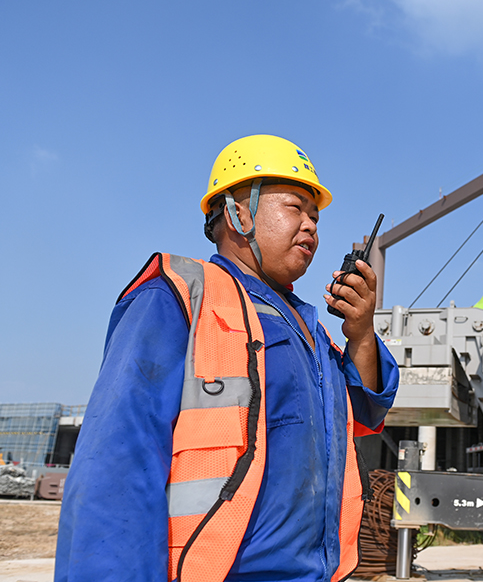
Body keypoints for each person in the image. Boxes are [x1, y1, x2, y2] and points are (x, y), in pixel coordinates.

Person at [55, 134, 399, 582]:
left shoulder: (310, 331)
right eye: (295, 208)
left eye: (315, 216)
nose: (312, 226)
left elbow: (364, 414)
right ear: (237, 212)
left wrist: (361, 335)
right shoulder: (179, 297)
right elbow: (117, 468)